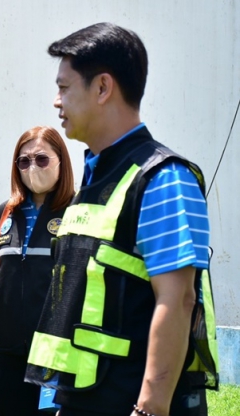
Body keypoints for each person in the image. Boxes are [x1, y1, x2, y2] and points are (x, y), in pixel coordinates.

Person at [24, 23, 219, 416]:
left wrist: (150, 407)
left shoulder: (164, 178)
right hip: (83, 399)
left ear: (102, 88)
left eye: (64, 88)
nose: (56, 101)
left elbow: (178, 299)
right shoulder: (96, 176)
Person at [0, 126, 75, 415]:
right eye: (24, 161)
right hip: (5, 352)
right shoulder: (4, 213)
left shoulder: (76, 212)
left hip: (56, 353)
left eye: (41, 159)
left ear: (61, 161)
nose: (32, 167)